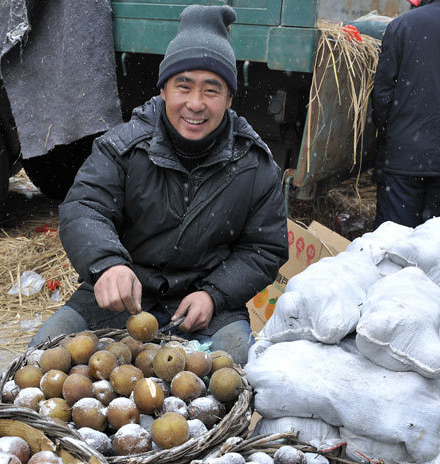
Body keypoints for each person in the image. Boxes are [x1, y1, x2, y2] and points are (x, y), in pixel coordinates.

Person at [30, 4, 287, 364]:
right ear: (164, 89)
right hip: (120, 300)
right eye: (184, 86)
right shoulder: (122, 148)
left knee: (238, 368)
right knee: (42, 356)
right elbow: (85, 207)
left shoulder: (254, 166)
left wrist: (214, 294)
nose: (195, 104)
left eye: (211, 90)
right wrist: (108, 265)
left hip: (205, 310)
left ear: (229, 99)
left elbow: (263, 249)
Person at [372, 0, 440, 229]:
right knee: (436, 247)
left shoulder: (402, 25)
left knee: (394, 241)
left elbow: (383, 93)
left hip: (405, 156)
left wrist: (387, 135)